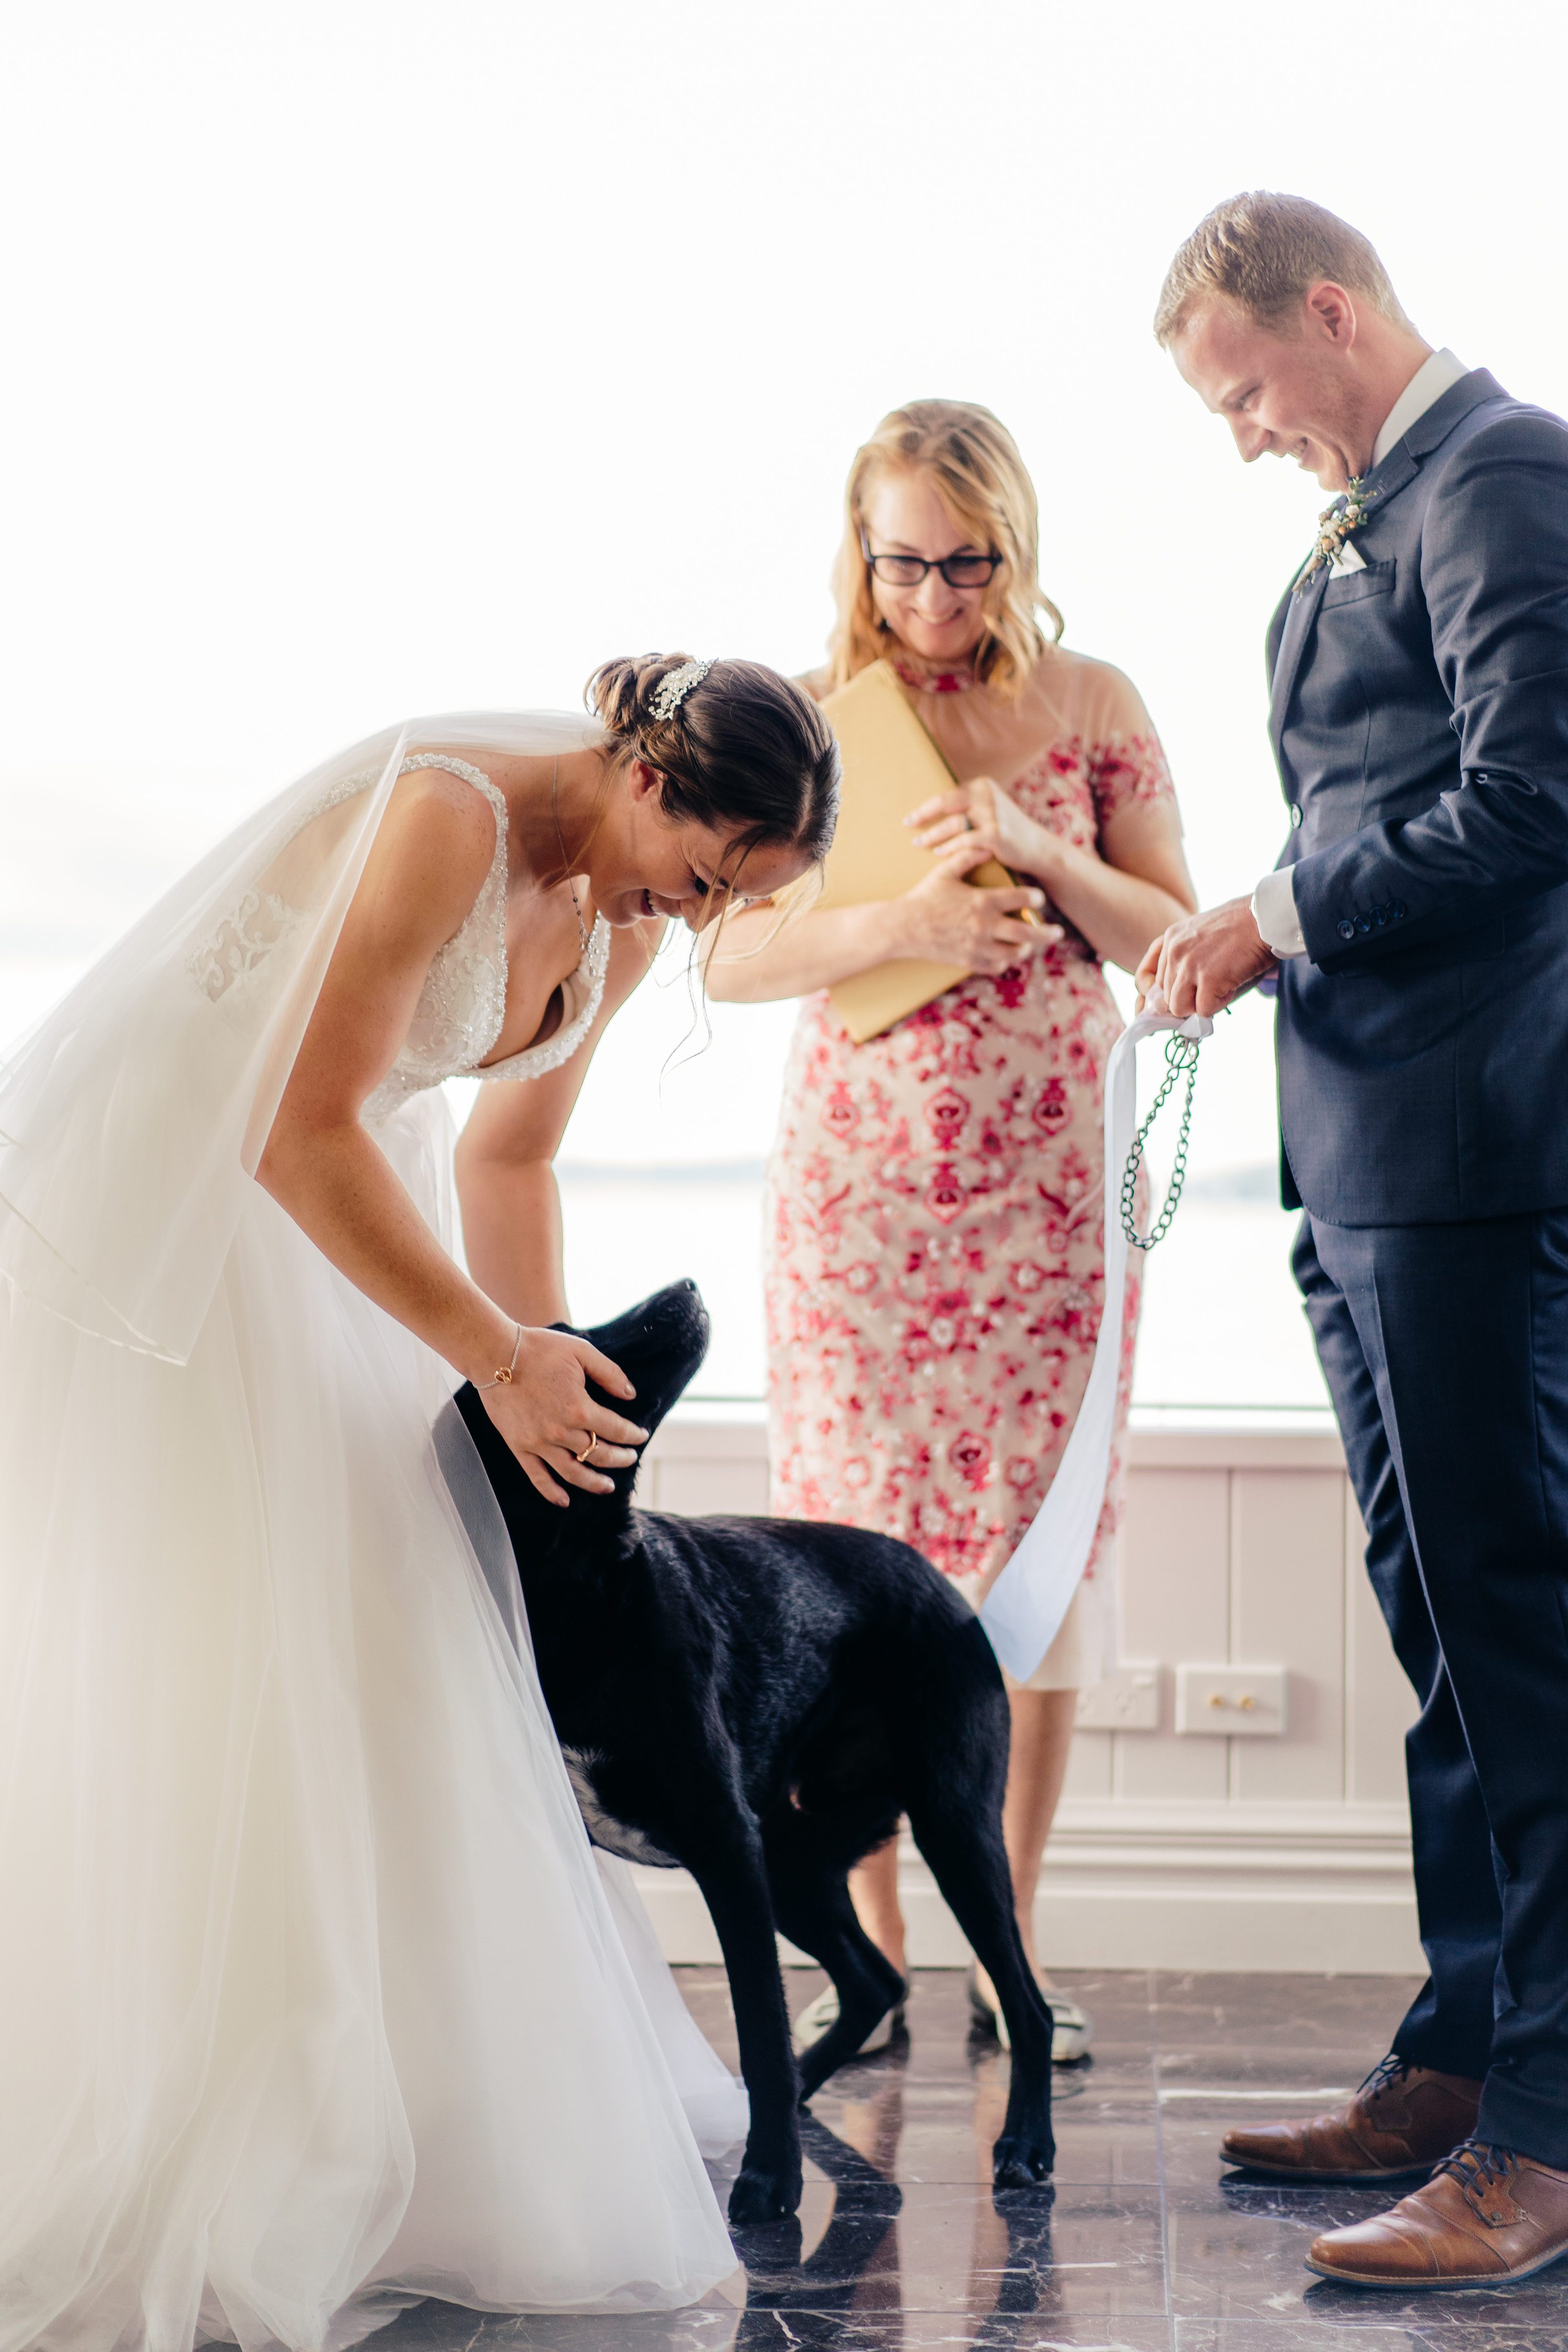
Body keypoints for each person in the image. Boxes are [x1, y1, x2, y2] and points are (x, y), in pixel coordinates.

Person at [0, 654, 838, 2351]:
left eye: (713, 911)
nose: (679, 925)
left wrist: (552, 1427)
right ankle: (220, 2121)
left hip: (365, 1250)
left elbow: (504, 1163)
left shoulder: (610, 919)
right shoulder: (445, 820)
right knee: (256, 1669)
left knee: (424, 1646)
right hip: (203, 1233)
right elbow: (298, 1131)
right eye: (696, 881)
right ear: (653, 781)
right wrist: (489, 1351)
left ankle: (420, 2118)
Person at [1144, 190, 1568, 2291]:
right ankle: (1463, 2053)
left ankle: (1550, 2142)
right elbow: (1367, 798)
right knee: (1441, 1636)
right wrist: (1254, 925)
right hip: (1363, 1151)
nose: (1246, 441)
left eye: (1246, 394)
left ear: (1329, 310)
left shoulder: (1507, 478)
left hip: (1484, 1146)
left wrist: (1279, 919)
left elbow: (1535, 795)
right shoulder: (1383, 509)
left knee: (1524, 1628)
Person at [704, 400, 1195, 2065]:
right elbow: (727, 957)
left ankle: (1011, 1941)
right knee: (863, 1574)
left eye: (967, 563)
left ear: (1017, 548)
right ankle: (890, 1946)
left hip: (1051, 1207)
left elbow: (1175, 936)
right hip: (863, 1213)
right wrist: (905, 919)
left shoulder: (1094, 704)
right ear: (860, 550)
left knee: (1038, 1577)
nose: (933, 598)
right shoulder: (802, 722)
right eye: (903, 561)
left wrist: (1044, 849)